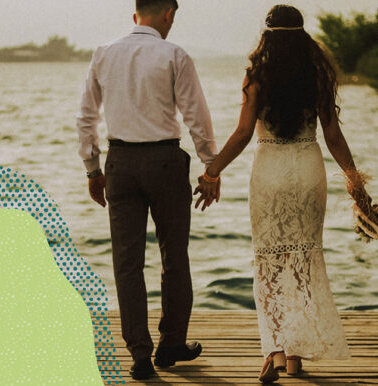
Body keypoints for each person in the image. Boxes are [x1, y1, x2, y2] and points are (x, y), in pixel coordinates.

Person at [193, 4, 374, 382]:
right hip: (309, 171)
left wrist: (212, 171)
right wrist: (356, 184)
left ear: (268, 36)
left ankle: (275, 350)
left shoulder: (257, 76)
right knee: (304, 263)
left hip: (270, 173)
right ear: (302, 35)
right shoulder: (318, 75)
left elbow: (243, 134)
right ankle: (294, 356)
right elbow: (334, 137)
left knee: (270, 264)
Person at [75, 0, 219, 380]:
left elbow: (86, 117)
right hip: (165, 163)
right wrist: (210, 167)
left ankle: (139, 354)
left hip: (120, 163)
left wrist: (92, 168)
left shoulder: (104, 54)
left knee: (127, 262)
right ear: (169, 13)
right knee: (175, 255)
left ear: (135, 13)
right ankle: (171, 344)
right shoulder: (175, 54)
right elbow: (195, 117)